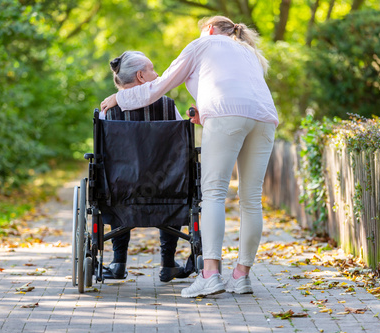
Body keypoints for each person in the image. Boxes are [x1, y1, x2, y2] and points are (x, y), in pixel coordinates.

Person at [100, 16, 279, 298]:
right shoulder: (247, 52)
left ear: (208, 30)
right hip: (265, 118)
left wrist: (117, 99)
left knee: (214, 194)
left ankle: (210, 275)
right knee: (251, 199)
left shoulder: (201, 44)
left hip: (226, 116)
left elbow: (157, 89)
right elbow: (238, 91)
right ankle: (242, 276)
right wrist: (204, 113)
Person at [100, 51, 193, 283]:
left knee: (112, 179)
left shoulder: (108, 110)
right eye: (152, 69)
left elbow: (103, 156)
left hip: (121, 191)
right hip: (166, 189)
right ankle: (168, 263)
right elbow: (182, 149)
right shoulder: (168, 107)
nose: (158, 74)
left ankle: (118, 263)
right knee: (172, 175)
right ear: (141, 76)